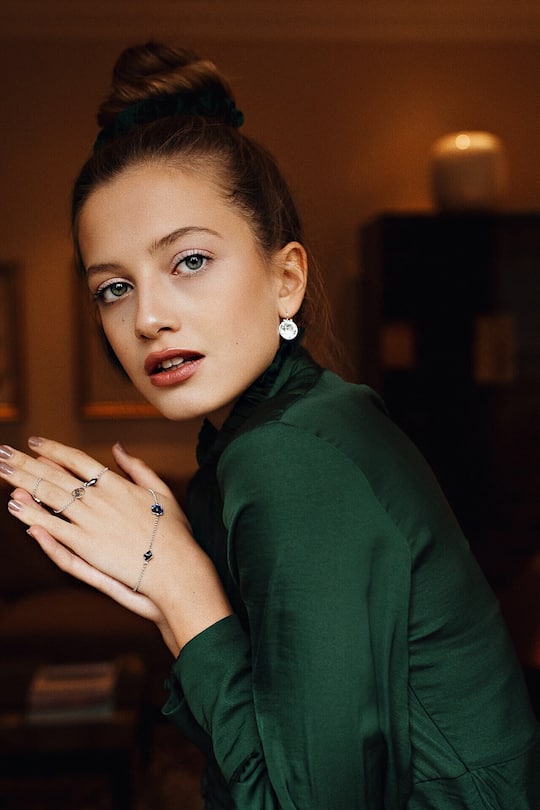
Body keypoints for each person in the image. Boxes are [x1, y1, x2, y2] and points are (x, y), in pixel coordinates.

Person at [0, 41, 538, 809]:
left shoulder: (290, 456)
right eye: (114, 287)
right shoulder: (286, 428)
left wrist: (179, 584)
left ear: (286, 278)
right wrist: (176, 594)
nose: (147, 317)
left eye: (189, 261)